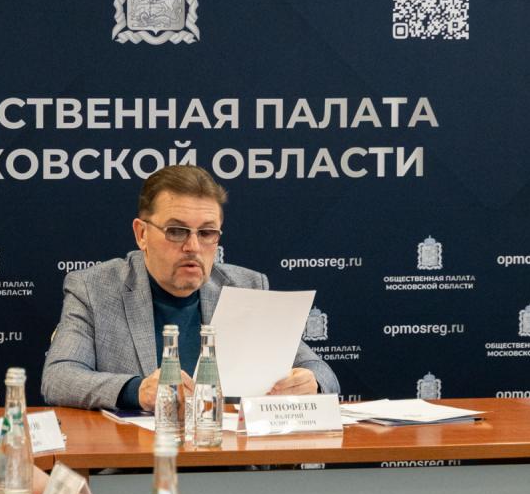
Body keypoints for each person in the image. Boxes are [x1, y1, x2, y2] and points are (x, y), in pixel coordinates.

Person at [41, 164, 339, 410]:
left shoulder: (246, 287)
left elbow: (321, 372)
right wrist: (136, 390)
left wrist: (310, 382)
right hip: (135, 458)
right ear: (142, 234)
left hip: (227, 456)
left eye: (207, 233)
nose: (193, 246)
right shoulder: (94, 289)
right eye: (176, 231)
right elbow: (58, 377)